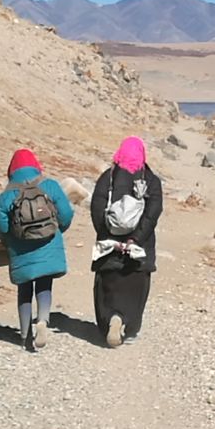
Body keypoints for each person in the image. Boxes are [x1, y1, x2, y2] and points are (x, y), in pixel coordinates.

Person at [0, 148, 74, 352]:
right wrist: (55, 232)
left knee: (24, 289)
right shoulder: (50, 186)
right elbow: (66, 214)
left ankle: (25, 335)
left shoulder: (6, 196)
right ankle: (43, 321)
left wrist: (11, 240)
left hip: (21, 251)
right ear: (36, 166)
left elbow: (0, 226)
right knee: (44, 284)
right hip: (48, 244)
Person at [90, 136, 163, 347]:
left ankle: (111, 319)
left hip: (109, 248)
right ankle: (127, 326)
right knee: (135, 289)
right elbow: (152, 213)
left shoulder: (108, 178)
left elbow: (96, 208)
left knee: (107, 287)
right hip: (138, 249)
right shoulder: (150, 181)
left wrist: (107, 235)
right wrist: (136, 238)